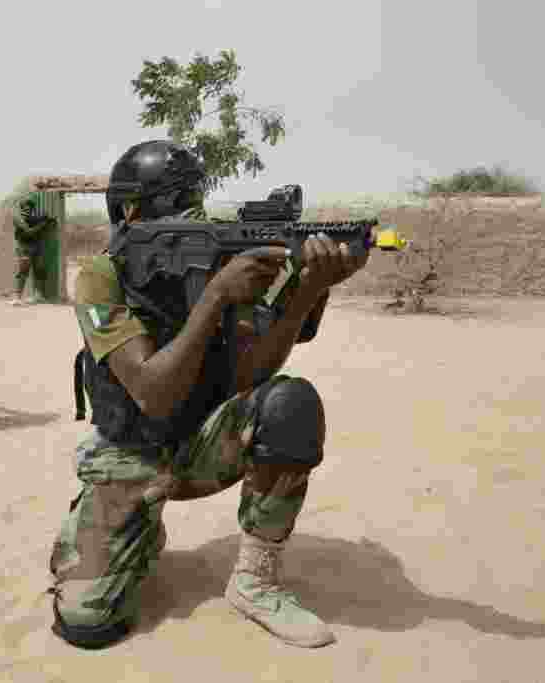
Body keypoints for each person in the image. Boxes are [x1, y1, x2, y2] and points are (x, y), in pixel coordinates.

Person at [49, 140, 369, 649]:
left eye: (194, 195)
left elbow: (251, 375)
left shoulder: (213, 258)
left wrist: (308, 288)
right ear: (131, 210)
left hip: (201, 446)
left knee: (289, 403)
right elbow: (153, 394)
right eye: (176, 198)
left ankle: (254, 581)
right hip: (128, 455)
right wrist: (218, 293)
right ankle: (134, 532)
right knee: (88, 624)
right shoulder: (100, 278)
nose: (192, 208)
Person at [11, 193, 57, 305]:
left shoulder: (35, 217)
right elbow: (28, 231)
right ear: (21, 208)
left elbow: (48, 221)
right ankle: (18, 297)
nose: (27, 210)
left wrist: (45, 221)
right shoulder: (17, 218)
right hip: (24, 246)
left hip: (36, 245)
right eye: (25, 208)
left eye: (30, 208)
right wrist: (43, 223)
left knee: (39, 270)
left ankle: (38, 295)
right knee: (23, 271)